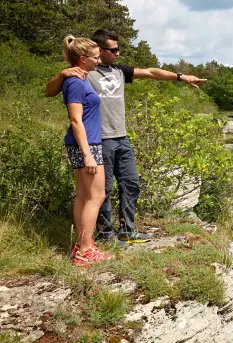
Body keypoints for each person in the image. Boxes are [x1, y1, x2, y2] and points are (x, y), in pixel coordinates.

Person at [46, 29, 206, 248]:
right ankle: (105, 234)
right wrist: (63, 74)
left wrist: (181, 77)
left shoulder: (119, 71)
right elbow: (50, 91)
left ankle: (127, 231)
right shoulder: (83, 72)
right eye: (114, 49)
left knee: (131, 183)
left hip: (121, 137)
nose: (118, 53)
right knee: (103, 191)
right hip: (98, 139)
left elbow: (151, 72)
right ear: (100, 51)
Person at [60, 35, 113, 266]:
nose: (99, 59)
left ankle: (85, 245)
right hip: (86, 145)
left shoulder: (79, 79)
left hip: (86, 144)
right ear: (82, 59)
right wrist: (88, 154)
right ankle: (84, 251)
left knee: (83, 195)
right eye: (95, 56)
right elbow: (75, 120)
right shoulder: (74, 82)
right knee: (97, 195)